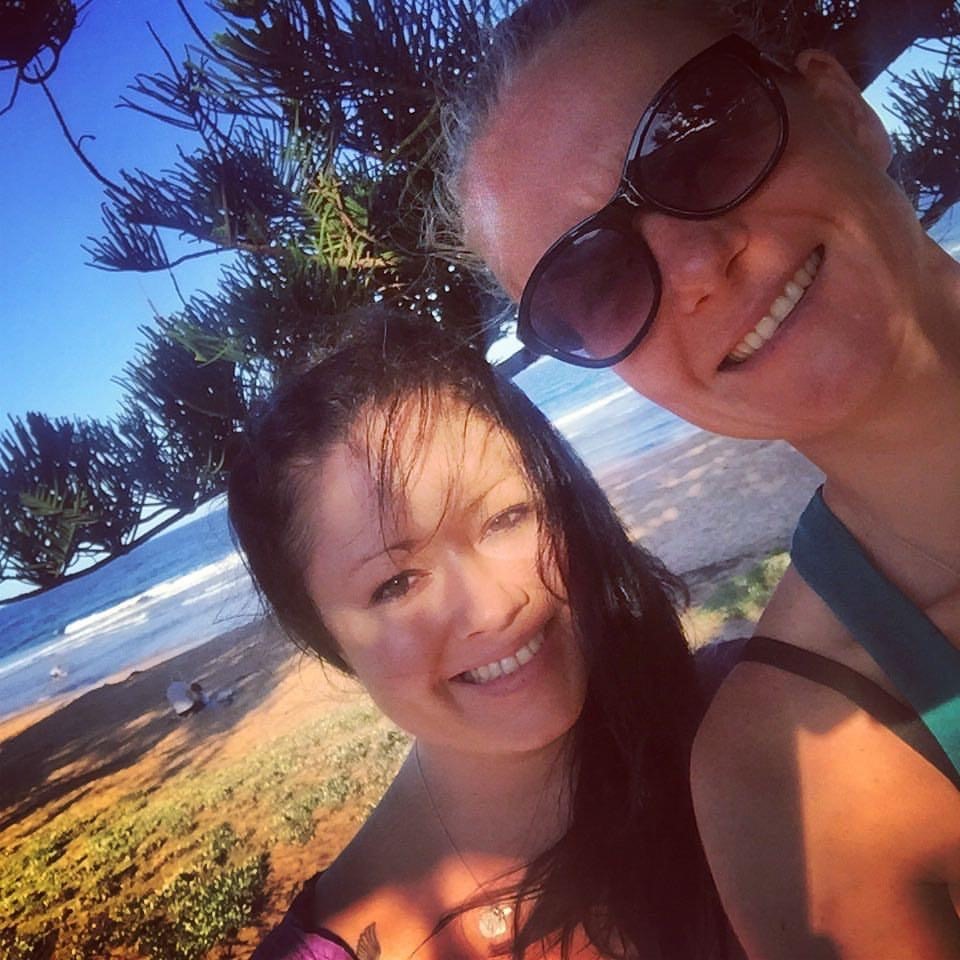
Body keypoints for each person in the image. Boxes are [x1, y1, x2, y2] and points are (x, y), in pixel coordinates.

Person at [444, 0, 960, 956]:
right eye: (591, 285)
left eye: (699, 141)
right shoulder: (796, 773)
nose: (692, 266)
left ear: (843, 111)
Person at [228, 312, 726, 959]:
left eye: (507, 517)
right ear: (327, 639)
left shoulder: (746, 723)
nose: (491, 608)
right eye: (397, 583)